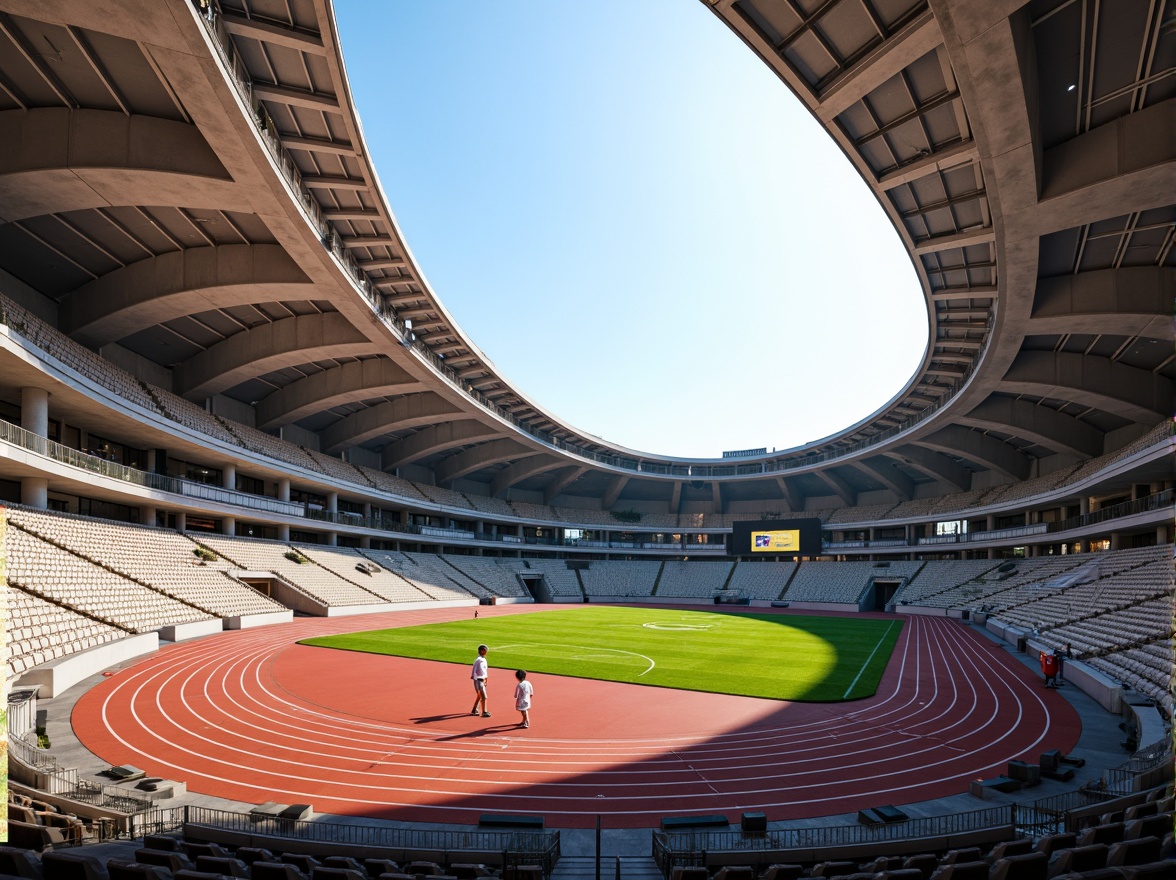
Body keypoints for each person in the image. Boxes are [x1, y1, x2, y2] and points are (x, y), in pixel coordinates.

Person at [470, 644, 490, 717]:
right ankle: (484, 711)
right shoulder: (479, 660)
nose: (486, 651)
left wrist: (486, 679)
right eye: (485, 650)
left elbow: (484, 671)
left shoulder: (483, 659)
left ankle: (475, 709)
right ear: (481, 651)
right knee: (484, 696)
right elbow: (477, 670)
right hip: (479, 680)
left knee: (480, 696)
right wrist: (478, 679)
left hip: (481, 679)